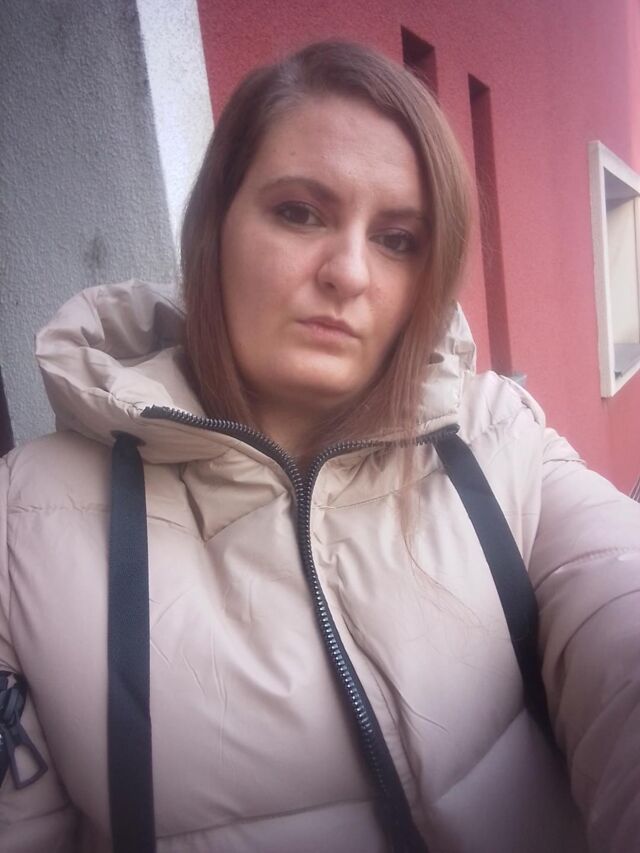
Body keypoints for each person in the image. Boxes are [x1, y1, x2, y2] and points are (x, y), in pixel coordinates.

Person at [0, 39, 639, 853]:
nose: (349, 272)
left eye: (398, 239)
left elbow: (619, 609)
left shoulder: (497, 436)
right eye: (300, 212)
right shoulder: (25, 524)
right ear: (215, 224)